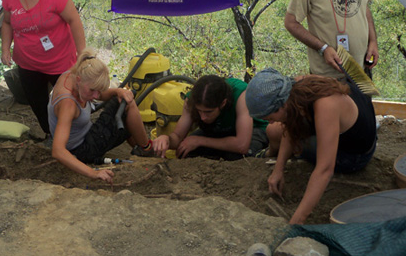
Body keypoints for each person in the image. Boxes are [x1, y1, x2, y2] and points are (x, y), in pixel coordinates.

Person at [245, 68, 377, 224]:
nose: (271, 120)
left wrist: (296, 222)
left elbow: (325, 170)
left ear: (282, 105)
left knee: (275, 131)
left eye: (270, 117)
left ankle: (272, 152)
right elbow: (291, 123)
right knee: (273, 130)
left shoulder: (326, 105)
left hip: (355, 155)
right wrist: (278, 169)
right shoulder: (296, 85)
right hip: (354, 130)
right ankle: (271, 152)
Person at [1, 0, 86, 136]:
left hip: (60, 61)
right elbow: (7, 22)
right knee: (37, 102)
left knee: (68, 100)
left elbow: (74, 21)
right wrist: (5, 48)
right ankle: (51, 133)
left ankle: (73, 136)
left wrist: (82, 54)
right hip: (28, 62)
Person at [48, 48, 154, 184]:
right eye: (93, 91)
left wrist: (118, 91)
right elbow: (57, 151)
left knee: (121, 101)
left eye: (99, 91)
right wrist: (93, 173)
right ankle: (146, 149)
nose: (97, 97)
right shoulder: (68, 104)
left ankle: (139, 149)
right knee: (127, 106)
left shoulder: (73, 75)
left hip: (84, 136)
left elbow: (99, 93)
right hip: (81, 150)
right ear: (79, 80)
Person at [152, 75, 283, 160]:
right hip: (217, 131)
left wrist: (199, 140)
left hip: (252, 129)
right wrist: (167, 139)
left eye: (208, 112)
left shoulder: (241, 95)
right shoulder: (191, 101)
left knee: (239, 156)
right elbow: (178, 137)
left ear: (223, 103)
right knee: (185, 152)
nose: (202, 117)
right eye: (199, 111)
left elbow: (242, 145)